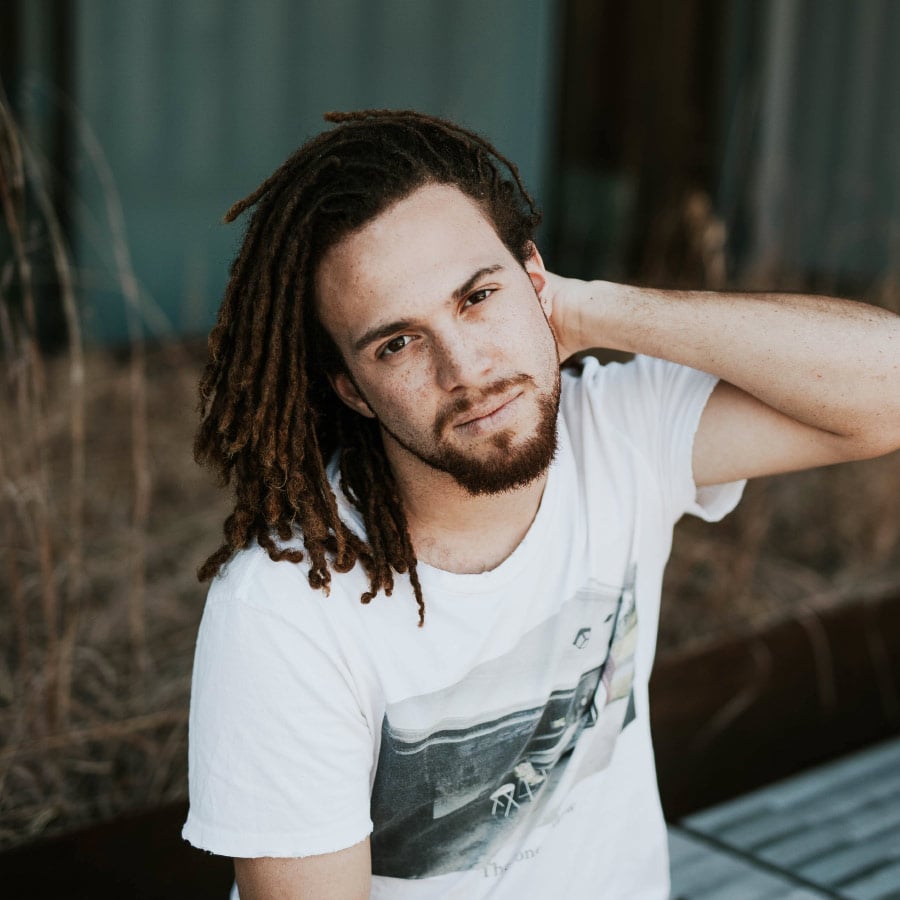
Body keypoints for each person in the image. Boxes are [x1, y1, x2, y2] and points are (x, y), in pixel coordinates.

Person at [181, 110, 900, 899]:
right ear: (352, 389)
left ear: (534, 278)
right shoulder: (285, 609)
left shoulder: (617, 431)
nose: (465, 369)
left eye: (478, 296)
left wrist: (591, 310)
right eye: (398, 343)